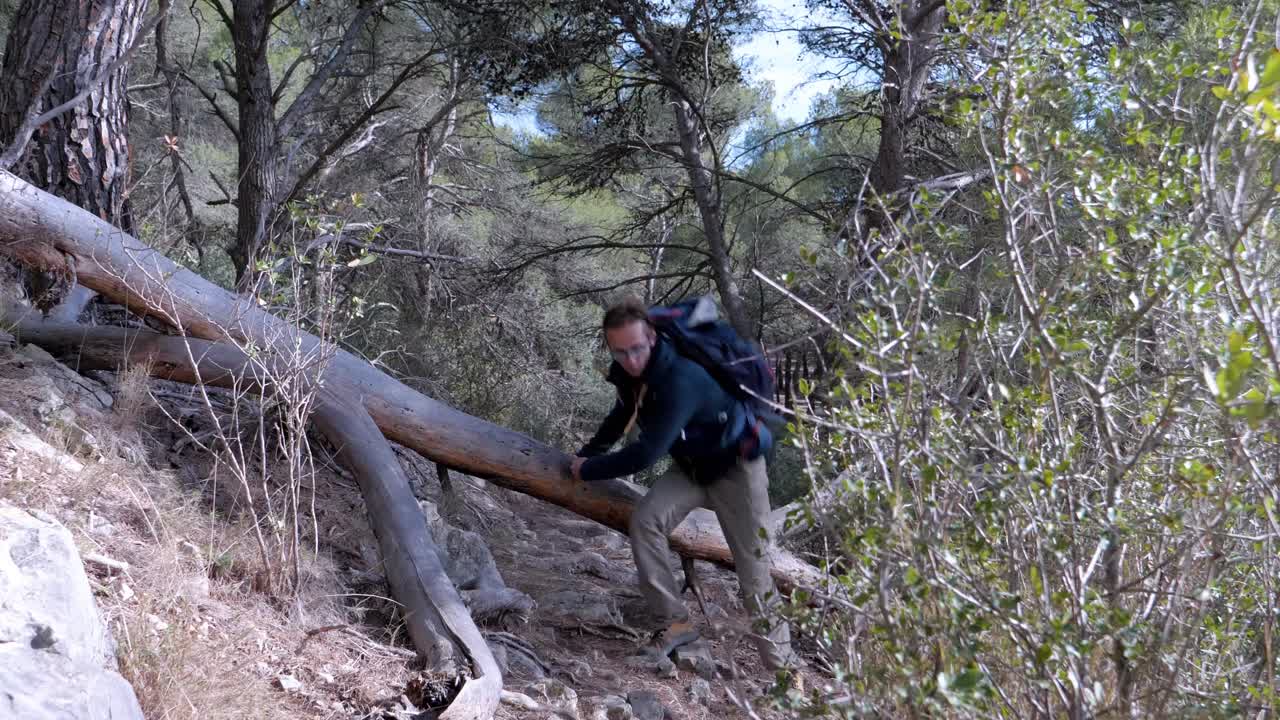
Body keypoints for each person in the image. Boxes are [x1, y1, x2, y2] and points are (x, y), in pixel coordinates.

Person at [568, 297, 793, 671]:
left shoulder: (681, 378)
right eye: (620, 352)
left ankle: (786, 672)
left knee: (753, 575)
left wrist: (588, 470)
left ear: (652, 338)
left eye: (637, 349)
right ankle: (675, 623)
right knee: (646, 521)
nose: (631, 360)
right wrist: (587, 454)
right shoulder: (629, 370)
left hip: (738, 469)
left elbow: (645, 454)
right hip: (693, 467)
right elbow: (623, 411)